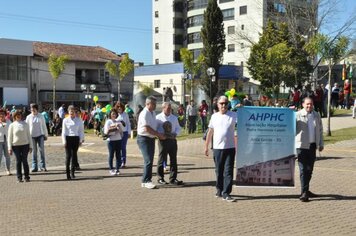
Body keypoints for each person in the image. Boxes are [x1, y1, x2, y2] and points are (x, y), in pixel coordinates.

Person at [204, 96, 237, 202]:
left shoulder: (233, 115)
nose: (224, 105)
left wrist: (242, 107)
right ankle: (219, 189)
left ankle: (226, 192)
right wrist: (206, 146)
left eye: (225, 103)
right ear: (217, 105)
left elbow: (245, 121)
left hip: (230, 147)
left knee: (228, 171)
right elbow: (210, 132)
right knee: (219, 170)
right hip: (217, 148)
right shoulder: (214, 116)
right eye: (221, 103)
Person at [296, 97, 324, 202]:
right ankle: (304, 193)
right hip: (301, 146)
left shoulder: (316, 115)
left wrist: (321, 143)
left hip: (312, 146)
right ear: (303, 104)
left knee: (309, 170)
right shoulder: (297, 115)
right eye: (307, 104)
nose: (309, 106)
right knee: (303, 169)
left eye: (311, 104)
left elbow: (320, 130)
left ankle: (306, 190)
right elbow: (290, 128)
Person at [137, 96, 165, 189]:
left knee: (150, 160)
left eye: (155, 104)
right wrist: (158, 134)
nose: (155, 106)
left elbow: (154, 124)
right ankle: (146, 181)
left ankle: (146, 180)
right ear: (147, 104)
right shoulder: (144, 113)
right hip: (144, 138)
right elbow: (147, 128)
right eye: (153, 104)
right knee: (148, 160)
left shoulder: (152, 112)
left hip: (151, 139)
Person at [156, 102, 183, 185]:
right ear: (163, 108)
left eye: (170, 108)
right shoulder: (158, 118)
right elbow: (155, 129)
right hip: (163, 141)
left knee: (173, 160)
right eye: (167, 108)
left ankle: (173, 178)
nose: (169, 110)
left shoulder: (174, 118)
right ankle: (160, 178)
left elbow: (178, 128)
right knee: (161, 160)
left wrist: (175, 134)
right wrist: (160, 135)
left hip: (172, 141)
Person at [7, 110, 33, 183]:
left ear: (21, 116)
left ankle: (27, 177)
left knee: (24, 160)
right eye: (17, 115)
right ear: (14, 116)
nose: (18, 116)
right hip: (15, 146)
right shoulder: (12, 125)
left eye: (19, 115)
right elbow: (9, 137)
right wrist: (9, 148)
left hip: (25, 145)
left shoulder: (25, 124)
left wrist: (31, 146)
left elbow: (29, 135)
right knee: (18, 161)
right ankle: (19, 177)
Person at [61, 105, 85, 180]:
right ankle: (67, 173)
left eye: (73, 111)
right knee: (68, 157)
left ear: (75, 112)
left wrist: (81, 140)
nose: (72, 112)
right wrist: (64, 141)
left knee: (74, 156)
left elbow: (81, 131)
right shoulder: (65, 120)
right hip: (68, 138)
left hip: (75, 138)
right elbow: (64, 132)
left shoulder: (79, 120)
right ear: (68, 112)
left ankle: (72, 172)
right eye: (70, 111)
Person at [25, 103, 49, 172]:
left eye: (34, 109)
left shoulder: (41, 116)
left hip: (40, 135)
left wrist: (46, 135)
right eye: (31, 109)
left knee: (42, 151)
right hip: (32, 136)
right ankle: (34, 166)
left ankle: (42, 166)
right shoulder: (28, 117)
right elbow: (26, 127)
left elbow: (44, 126)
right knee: (34, 152)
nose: (32, 110)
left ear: (36, 109)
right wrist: (27, 137)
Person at [104, 109, 124, 175]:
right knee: (111, 155)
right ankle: (111, 169)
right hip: (111, 141)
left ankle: (117, 169)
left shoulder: (118, 121)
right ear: (110, 115)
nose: (114, 115)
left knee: (118, 155)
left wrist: (119, 128)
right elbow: (106, 132)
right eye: (112, 114)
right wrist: (114, 129)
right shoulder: (108, 122)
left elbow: (122, 132)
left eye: (115, 114)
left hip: (118, 139)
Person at [115, 102, 131, 168]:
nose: (119, 108)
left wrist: (129, 132)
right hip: (117, 132)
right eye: (118, 107)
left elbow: (128, 123)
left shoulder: (125, 114)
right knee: (118, 147)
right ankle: (118, 161)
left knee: (123, 147)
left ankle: (123, 161)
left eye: (120, 107)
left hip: (124, 132)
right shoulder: (116, 115)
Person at [0, 109, 12, 175]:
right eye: (0, 114)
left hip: (7, 140)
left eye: (3, 114)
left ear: (5, 115)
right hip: (0, 140)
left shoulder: (8, 121)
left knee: (7, 156)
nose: (1, 115)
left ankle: (8, 170)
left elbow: (11, 130)